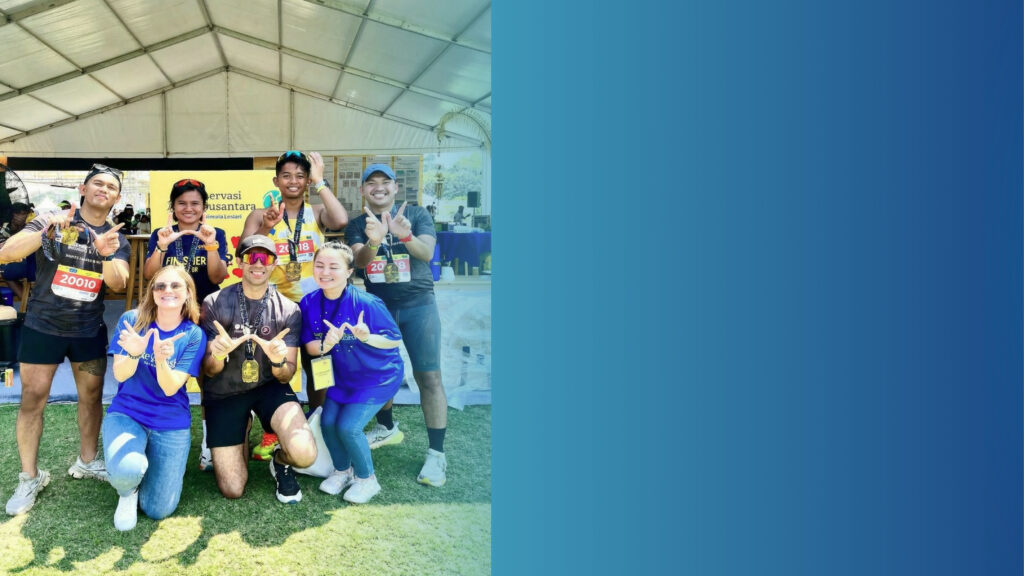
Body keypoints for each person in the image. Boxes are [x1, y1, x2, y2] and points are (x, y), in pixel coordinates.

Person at [0, 163, 130, 515]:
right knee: (33, 399)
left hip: (87, 332)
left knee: (91, 397)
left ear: (117, 198)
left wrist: (104, 253)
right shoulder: (49, 220)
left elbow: (119, 282)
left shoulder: (116, 236)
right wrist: (46, 230)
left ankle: (88, 460)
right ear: (83, 189)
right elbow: (7, 254)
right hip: (42, 328)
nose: (103, 189)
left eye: (110, 187)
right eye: (97, 184)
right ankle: (29, 476)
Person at [345, 163, 448, 487]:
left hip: (419, 305)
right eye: (371, 183)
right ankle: (387, 427)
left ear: (395, 187)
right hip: (380, 307)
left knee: (428, 376)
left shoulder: (416, 215)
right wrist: (374, 240)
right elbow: (360, 262)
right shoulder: (356, 224)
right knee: (379, 371)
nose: (378, 187)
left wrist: (404, 234)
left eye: (385, 182)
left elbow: (427, 252)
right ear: (363, 190)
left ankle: (436, 454)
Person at [241, 150, 348, 459]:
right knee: (270, 367)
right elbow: (245, 250)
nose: (293, 181)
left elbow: (340, 219)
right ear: (276, 180)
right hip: (273, 305)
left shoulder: (316, 211)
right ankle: (272, 430)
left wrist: (320, 181)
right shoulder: (260, 214)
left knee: (319, 366)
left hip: (315, 304)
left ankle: (319, 426)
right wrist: (265, 227)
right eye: (287, 175)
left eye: (300, 176)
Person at [199, 235, 316, 503]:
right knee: (233, 488)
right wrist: (217, 356)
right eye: (252, 257)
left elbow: (287, 374)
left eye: (266, 258)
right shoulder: (214, 302)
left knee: (304, 454)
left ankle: (280, 460)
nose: (258, 263)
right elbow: (209, 370)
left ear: (275, 264)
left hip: (269, 388)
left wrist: (277, 361)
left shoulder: (289, 310)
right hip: (226, 391)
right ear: (240, 262)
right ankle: (242, 424)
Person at [103, 266, 207, 530]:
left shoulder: (193, 334)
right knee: (127, 472)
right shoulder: (132, 320)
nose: (167, 291)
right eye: (160, 286)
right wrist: (136, 353)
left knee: (158, 510)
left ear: (187, 293)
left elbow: (171, 387)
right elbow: (120, 374)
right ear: (152, 292)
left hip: (170, 420)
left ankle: (141, 465)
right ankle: (127, 491)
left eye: (175, 286)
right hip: (128, 413)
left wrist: (161, 360)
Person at [300, 242, 403, 504]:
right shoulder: (309, 302)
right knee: (328, 423)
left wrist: (368, 337)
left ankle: (367, 479)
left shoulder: (368, 303)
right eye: (320, 265)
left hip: (377, 377)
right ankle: (342, 471)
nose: (325, 272)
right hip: (343, 376)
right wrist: (326, 345)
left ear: (348, 271)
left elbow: (393, 340)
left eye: (334, 266)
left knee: (349, 427)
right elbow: (311, 345)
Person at [144, 179, 229, 472]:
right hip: (168, 318)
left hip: (204, 317)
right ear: (173, 207)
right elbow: (149, 275)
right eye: (182, 203)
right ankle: (156, 436)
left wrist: (212, 245)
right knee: (162, 376)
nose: (189, 209)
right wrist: (161, 247)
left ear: (204, 208)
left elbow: (218, 277)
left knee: (209, 381)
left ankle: (208, 444)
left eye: (195, 203)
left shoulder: (215, 233)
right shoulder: (161, 233)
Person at [0, 202, 36, 303]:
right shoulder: (7, 227)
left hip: (31, 265)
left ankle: (27, 303)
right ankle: (27, 302)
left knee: (6, 273)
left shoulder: (31, 226)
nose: (18, 217)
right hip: (21, 262)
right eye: (16, 214)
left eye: (22, 213)